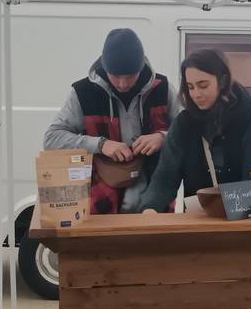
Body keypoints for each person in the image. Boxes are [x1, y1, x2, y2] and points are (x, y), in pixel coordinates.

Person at [44, 29, 175, 214]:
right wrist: (100, 144)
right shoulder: (82, 92)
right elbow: (51, 139)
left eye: (130, 75)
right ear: (105, 68)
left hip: (155, 195)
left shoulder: (163, 88)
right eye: (116, 75)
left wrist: (163, 137)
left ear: (141, 67)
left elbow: (189, 131)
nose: (123, 83)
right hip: (101, 198)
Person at [139, 49, 251, 211]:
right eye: (190, 87)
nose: (196, 94)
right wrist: (150, 208)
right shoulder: (184, 123)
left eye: (203, 85)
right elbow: (165, 177)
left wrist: (214, 207)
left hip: (243, 226)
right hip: (197, 225)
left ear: (223, 81)